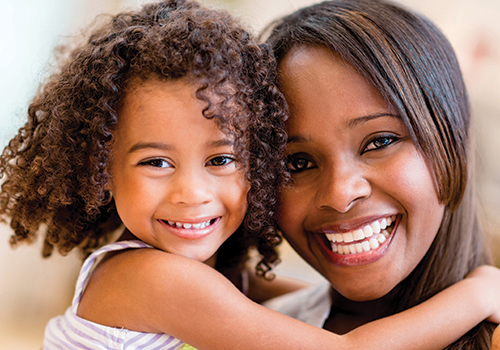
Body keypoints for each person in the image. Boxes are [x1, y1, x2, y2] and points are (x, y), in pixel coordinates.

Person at [0, 0, 499, 349]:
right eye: (156, 161)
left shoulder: (212, 281)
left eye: (220, 160)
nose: (192, 192)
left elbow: (292, 302)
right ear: (100, 168)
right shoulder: (148, 277)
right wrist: (479, 293)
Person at [263, 0, 499, 348]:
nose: (340, 194)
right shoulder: (257, 329)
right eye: (297, 163)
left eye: (380, 141)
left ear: (453, 138)